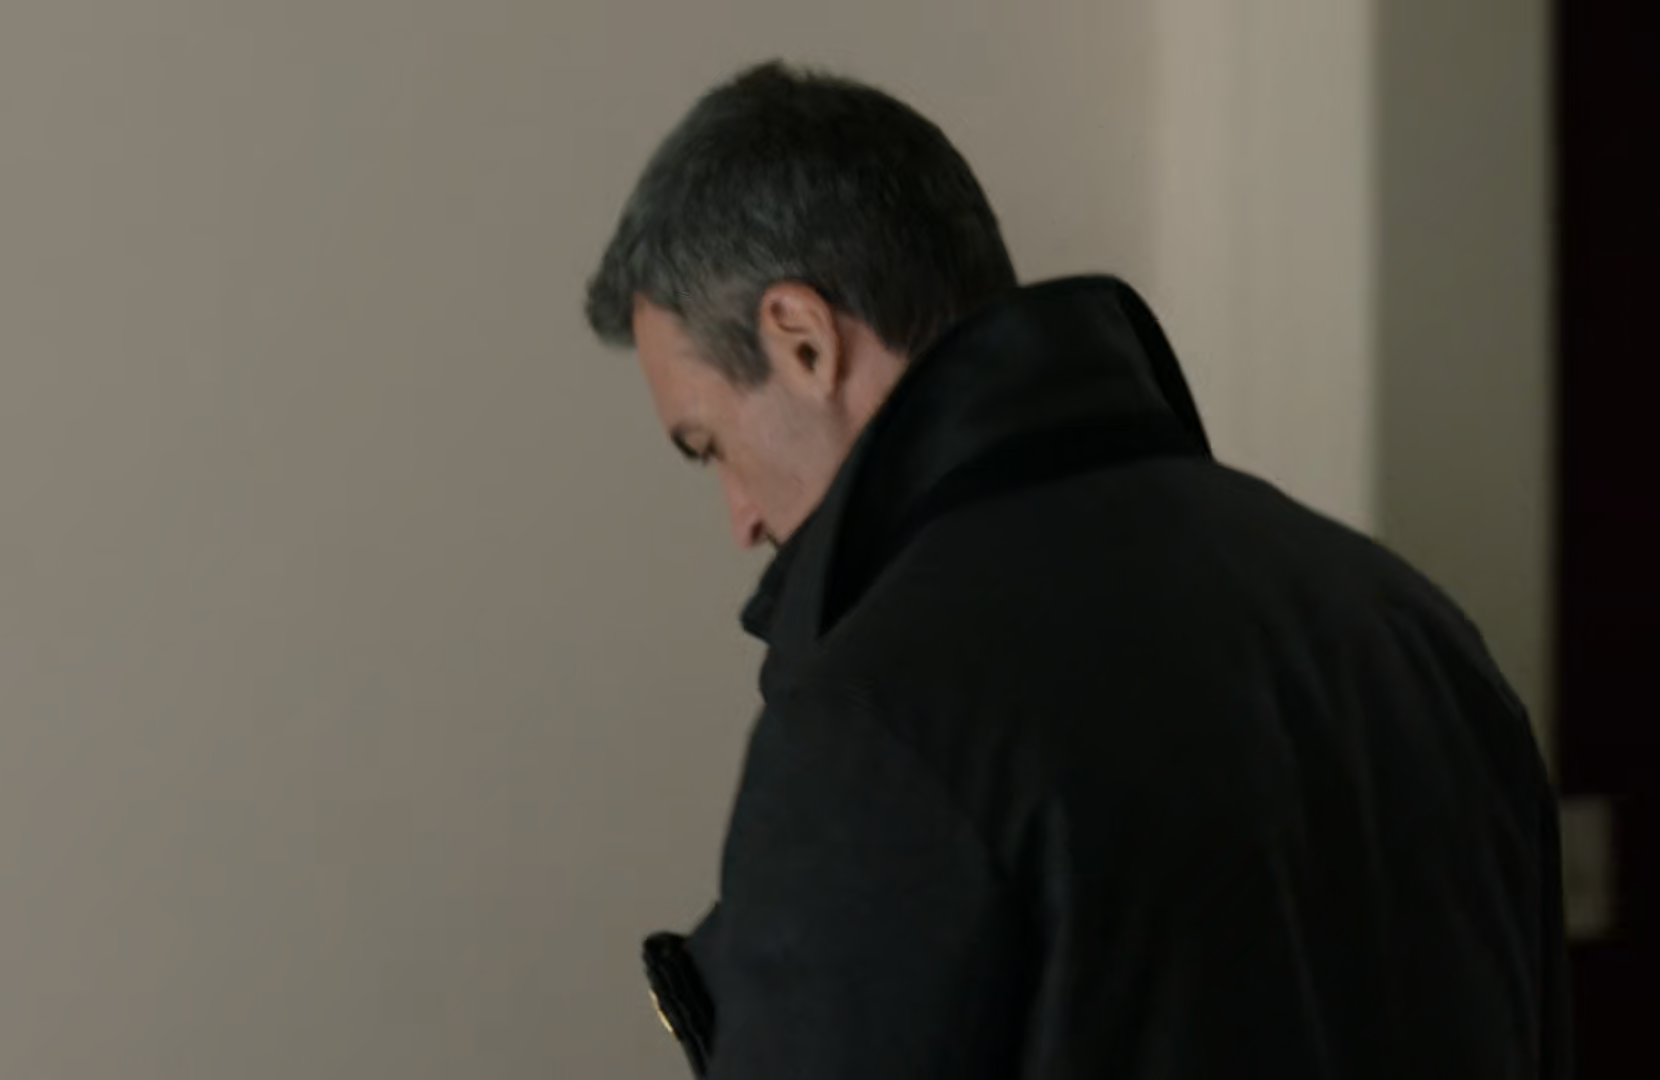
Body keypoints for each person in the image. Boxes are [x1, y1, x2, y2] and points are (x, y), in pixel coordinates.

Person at [582, 61, 1570, 1080]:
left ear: (802, 341)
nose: (740, 517)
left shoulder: (880, 719)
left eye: (707, 445)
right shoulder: (1409, 627)